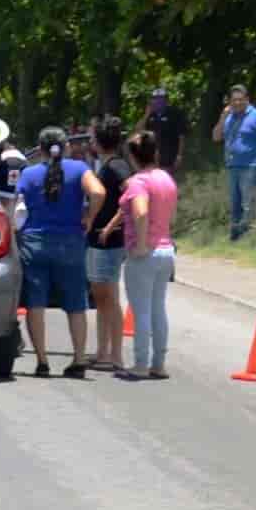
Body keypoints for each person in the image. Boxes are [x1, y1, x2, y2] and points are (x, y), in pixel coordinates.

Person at [15, 128, 99, 376]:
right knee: (76, 304)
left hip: (35, 244)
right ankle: (79, 359)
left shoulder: (28, 174)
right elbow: (98, 192)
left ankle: (42, 361)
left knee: (35, 303)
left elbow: (16, 206)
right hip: (71, 243)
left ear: (40, 149)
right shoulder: (80, 170)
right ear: (67, 147)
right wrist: (89, 218)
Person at [117, 129, 178, 379]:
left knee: (140, 309)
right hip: (166, 248)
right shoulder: (166, 178)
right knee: (157, 308)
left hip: (146, 251)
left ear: (133, 156)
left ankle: (141, 363)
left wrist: (141, 244)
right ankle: (158, 363)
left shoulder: (138, 182)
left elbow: (140, 212)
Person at [83, 115, 132, 373]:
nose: (89, 140)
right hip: (98, 238)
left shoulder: (116, 166)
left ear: (100, 141)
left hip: (108, 240)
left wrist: (112, 224)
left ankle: (115, 355)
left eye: (92, 136)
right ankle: (102, 351)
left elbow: (132, 194)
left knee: (109, 298)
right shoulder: (106, 165)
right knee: (101, 298)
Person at [216, 84, 256, 242]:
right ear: (230, 102)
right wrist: (222, 117)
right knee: (235, 202)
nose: (237, 103)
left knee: (248, 202)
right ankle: (235, 235)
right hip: (233, 165)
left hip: (251, 165)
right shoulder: (228, 117)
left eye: (240, 100)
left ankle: (248, 235)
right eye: (234, 100)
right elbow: (216, 137)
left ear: (247, 99)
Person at [142, 86, 183, 184]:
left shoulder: (174, 114)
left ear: (166, 100)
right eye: (155, 99)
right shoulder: (150, 115)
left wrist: (179, 155)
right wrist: (146, 115)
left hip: (168, 156)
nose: (158, 102)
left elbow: (181, 136)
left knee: (166, 182)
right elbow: (138, 131)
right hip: (152, 158)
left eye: (161, 99)